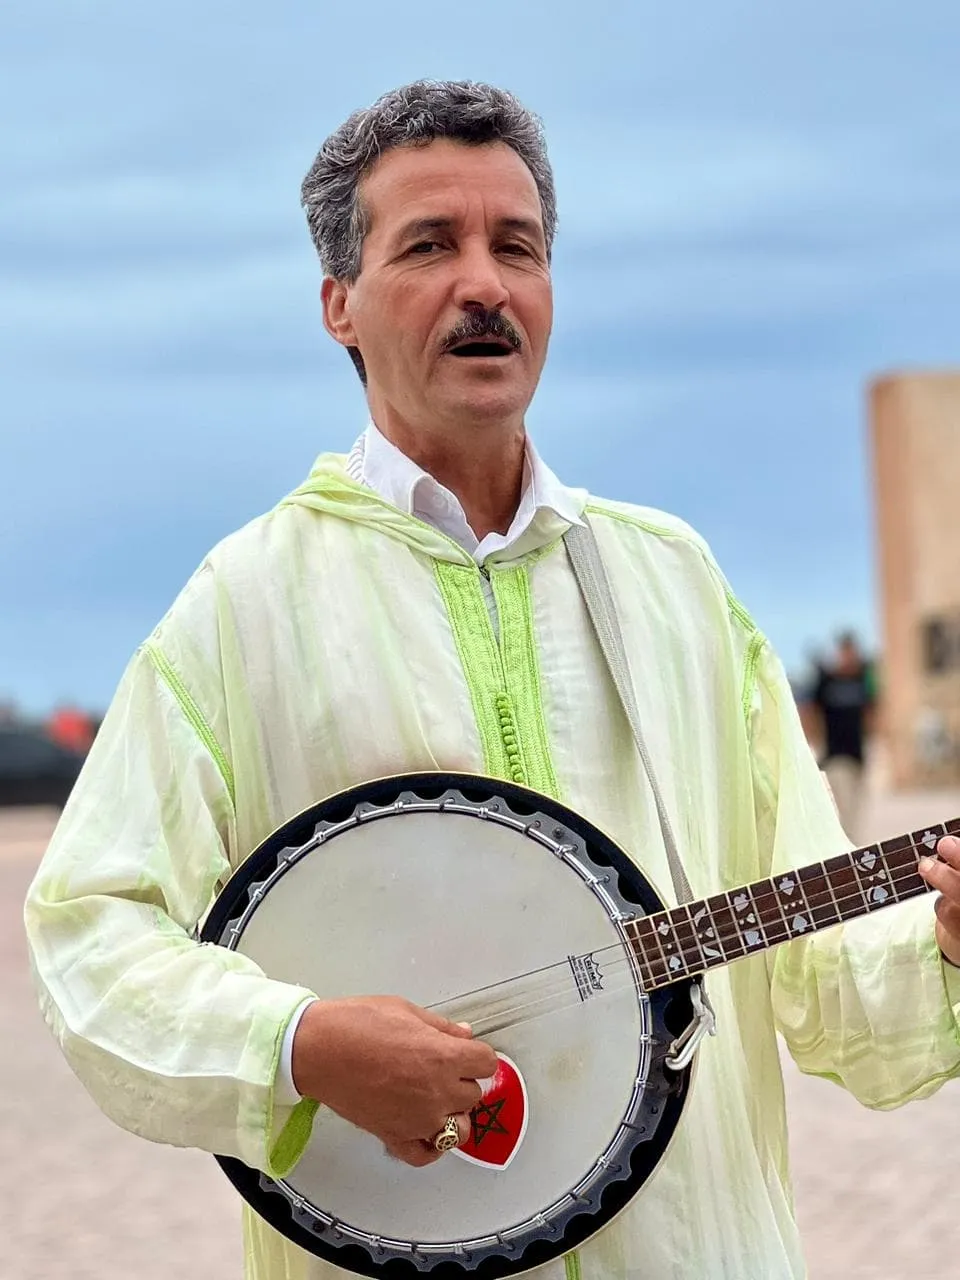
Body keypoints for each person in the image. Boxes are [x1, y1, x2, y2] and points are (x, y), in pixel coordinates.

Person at [23, 81, 960, 1280]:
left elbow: (828, 996)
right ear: (338, 306)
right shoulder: (244, 602)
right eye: (430, 245)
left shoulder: (678, 587)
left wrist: (942, 945)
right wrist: (297, 1041)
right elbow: (88, 935)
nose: (486, 285)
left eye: (517, 247)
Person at [802, 632, 876, 840]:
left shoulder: (862, 678)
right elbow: (810, 711)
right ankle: (851, 853)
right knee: (844, 808)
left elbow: (871, 710)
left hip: (857, 753)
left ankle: (853, 849)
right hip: (835, 755)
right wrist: (816, 742)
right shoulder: (827, 681)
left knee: (856, 807)